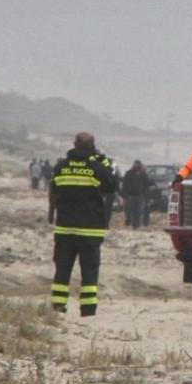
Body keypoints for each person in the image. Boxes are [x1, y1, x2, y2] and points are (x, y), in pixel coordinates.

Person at [48, 132, 116, 316]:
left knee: (62, 270)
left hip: (64, 228)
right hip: (90, 230)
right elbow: (112, 186)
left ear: (74, 144)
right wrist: (106, 164)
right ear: (92, 147)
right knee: (89, 272)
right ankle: (87, 311)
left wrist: (51, 215)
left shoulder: (60, 167)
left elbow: (53, 191)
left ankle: (57, 308)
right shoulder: (97, 167)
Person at [121, 160, 153, 229]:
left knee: (139, 211)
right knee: (131, 210)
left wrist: (146, 193)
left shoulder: (143, 174)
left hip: (140, 195)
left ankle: (138, 224)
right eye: (135, 164)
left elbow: (147, 184)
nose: (136, 165)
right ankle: (133, 224)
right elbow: (125, 184)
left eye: (137, 164)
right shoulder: (128, 173)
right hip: (130, 195)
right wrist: (124, 195)